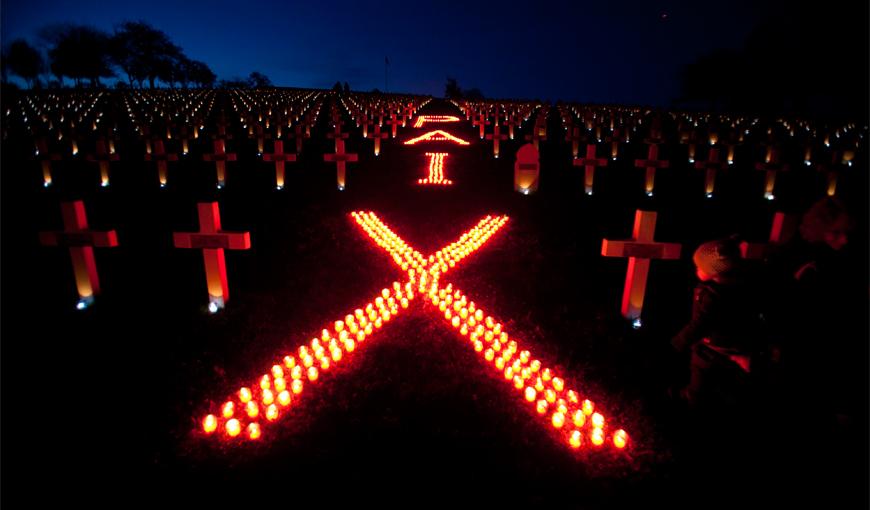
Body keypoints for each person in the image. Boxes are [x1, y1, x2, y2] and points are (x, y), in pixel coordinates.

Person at [670, 236, 767, 410]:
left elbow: (699, 324)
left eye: (699, 267)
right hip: (737, 345)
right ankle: (723, 399)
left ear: (715, 272)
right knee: (727, 378)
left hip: (711, 348)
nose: (696, 269)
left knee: (701, 373)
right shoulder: (743, 285)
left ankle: (693, 398)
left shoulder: (712, 298)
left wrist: (678, 342)